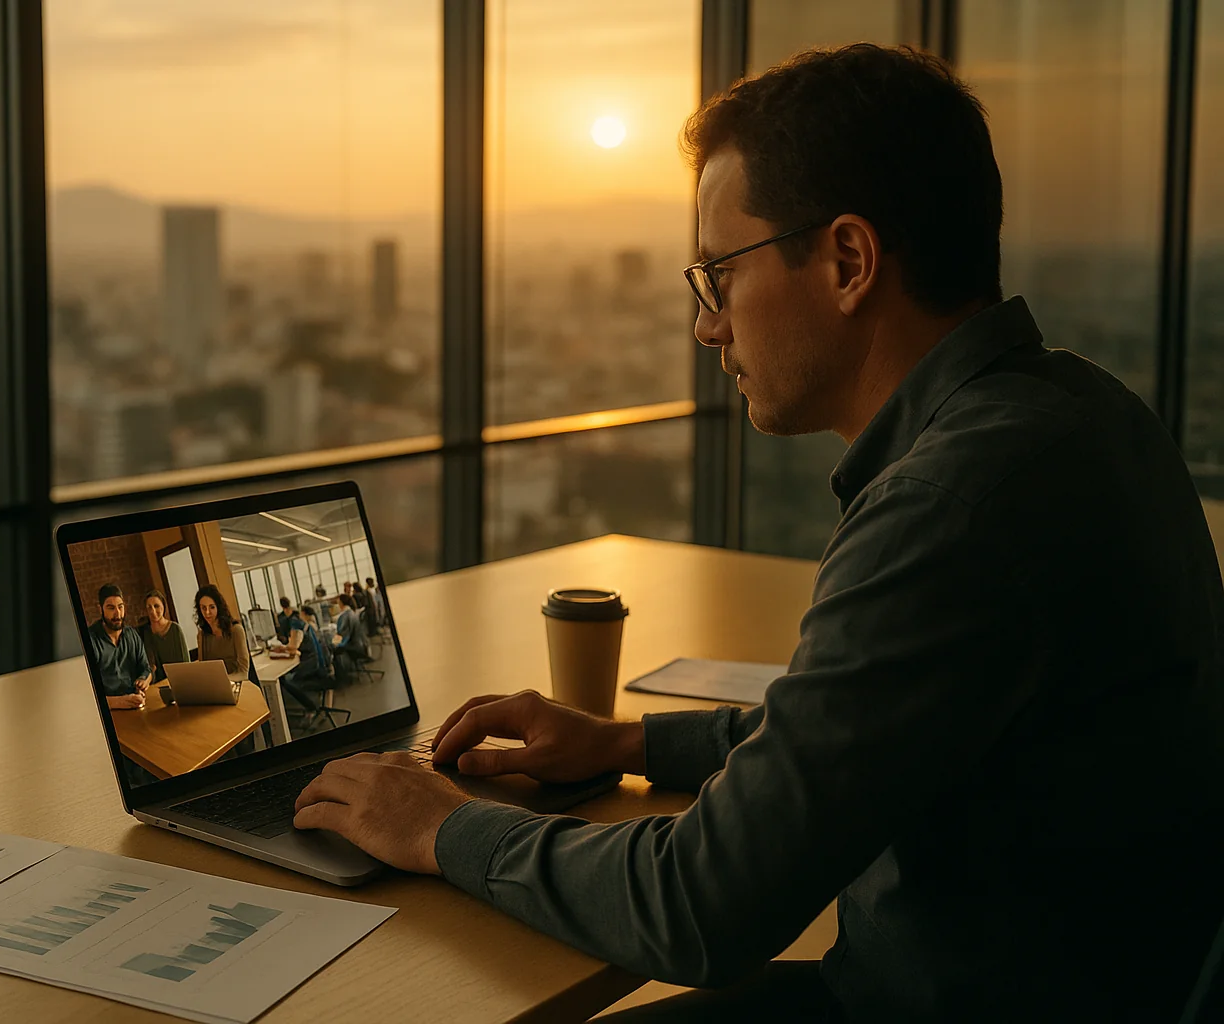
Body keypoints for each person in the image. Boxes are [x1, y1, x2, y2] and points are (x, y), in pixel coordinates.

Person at [289, 44, 1224, 1023]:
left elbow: (699, 904)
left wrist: (444, 826)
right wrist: (628, 738)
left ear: (849, 262)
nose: (708, 327)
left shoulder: (953, 502)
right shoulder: (1082, 415)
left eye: (717, 275)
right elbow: (860, 736)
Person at [86, 583, 150, 710]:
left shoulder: (132, 634)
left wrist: (143, 682)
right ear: (100, 609)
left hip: (136, 703)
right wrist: (119, 702)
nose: (118, 614)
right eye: (111, 608)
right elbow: (87, 695)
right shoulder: (91, 640)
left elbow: (146, 669)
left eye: (120, 607)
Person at [195, 584, 250, 678]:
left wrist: (223, 681)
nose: (207, 612)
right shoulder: (202, 635)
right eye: (203, 608)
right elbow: (203, 667)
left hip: (236, 684)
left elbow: (243, 672)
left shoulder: (236, 630)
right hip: (213, 685)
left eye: (212, 607)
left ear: (218, 607)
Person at [138, 589, 189, 685]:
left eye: (156, 606)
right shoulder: (145, 633)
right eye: (149, 607)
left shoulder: (175, 629)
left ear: (163, 606)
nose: (153, 611)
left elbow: (185, 662)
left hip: (178, 681)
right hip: (157, 684)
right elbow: (149, 665)